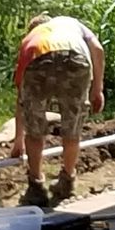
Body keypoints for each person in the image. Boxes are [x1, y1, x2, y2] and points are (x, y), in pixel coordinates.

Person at [10, 14, 105, 205]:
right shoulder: (70, 23)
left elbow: (21, 98)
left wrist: (19, 140)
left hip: (38, 57)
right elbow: (98, 48)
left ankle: (36, 187)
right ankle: (67, 181)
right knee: (72, 126)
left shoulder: (31, 39)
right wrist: (98, 89)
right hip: (75, 57)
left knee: (35, 128)